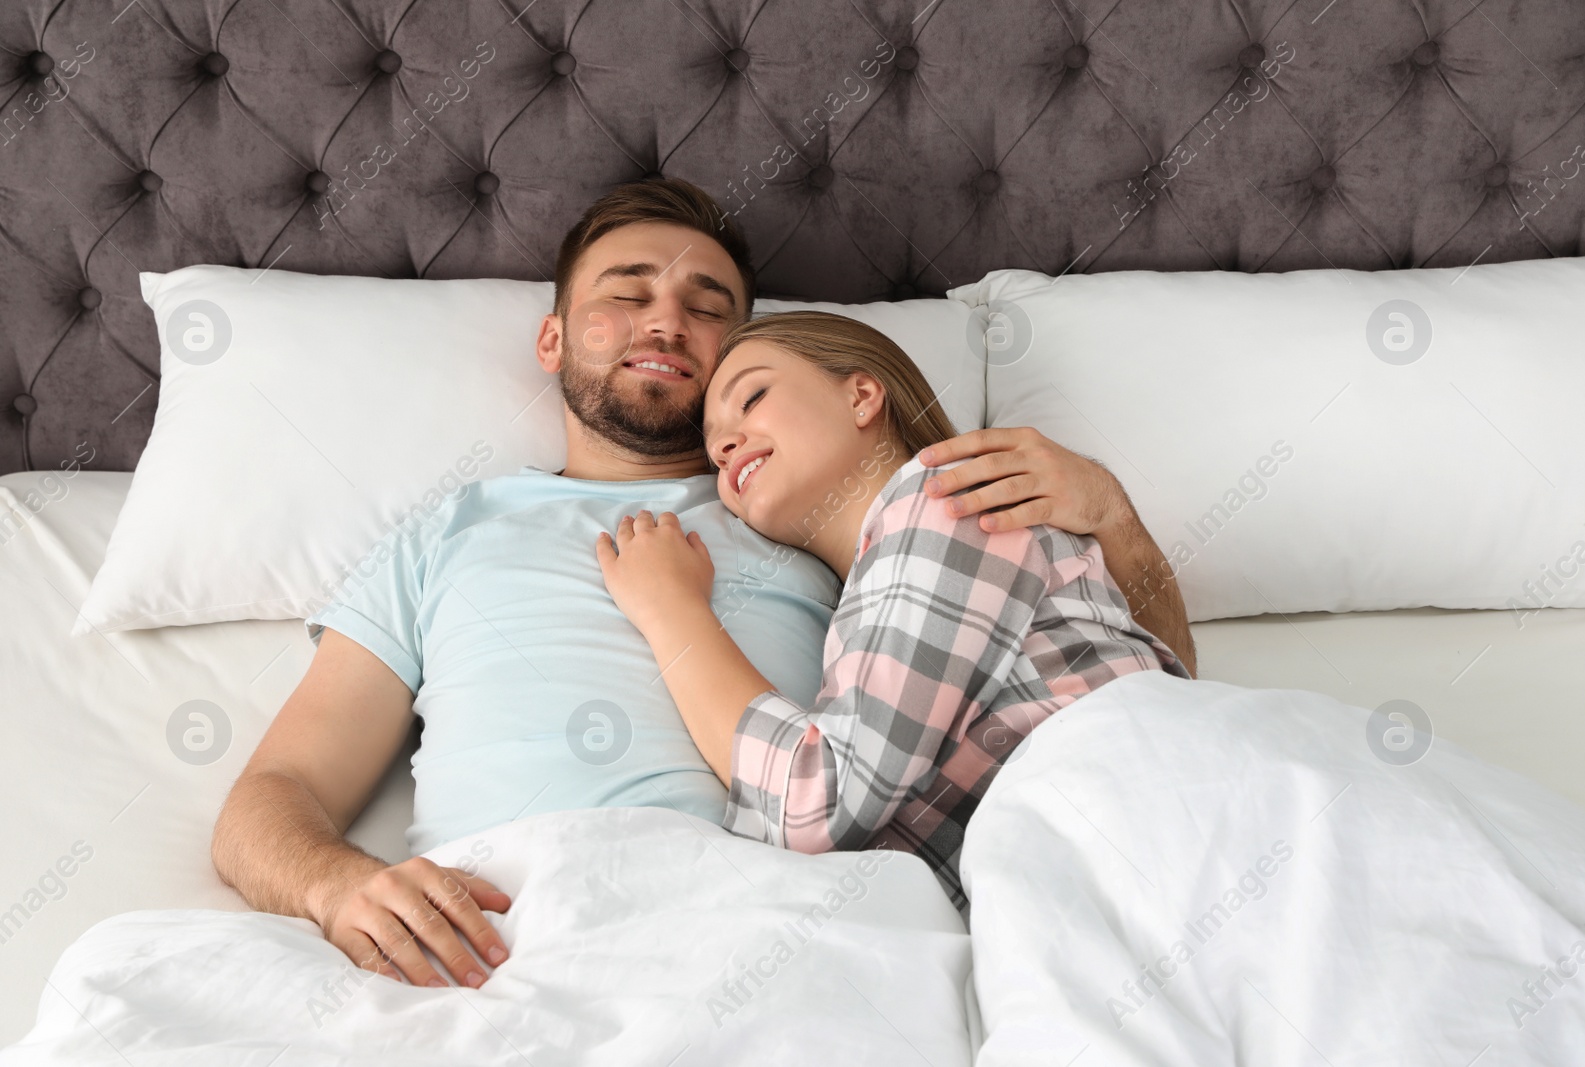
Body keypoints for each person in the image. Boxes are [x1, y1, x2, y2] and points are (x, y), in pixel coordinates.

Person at [211, 179, 1196, 990]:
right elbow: (273, 793)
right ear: (551, 337)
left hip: (761, 926)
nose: (666, 320)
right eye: (626, 291)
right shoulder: (446, 531)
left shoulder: (820, 508)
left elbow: (1129, 683)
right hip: (502, 928)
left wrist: (1116, 523)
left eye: (707, 307)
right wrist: (340, 887)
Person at [596, 311, 1192, 910]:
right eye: (712, 452)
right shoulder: (874, 590)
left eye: (751, 397)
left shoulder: (947, 498)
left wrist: (672, 611)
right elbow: (1174, 685)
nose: (723, 448)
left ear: (861, 395)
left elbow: (818, 803)